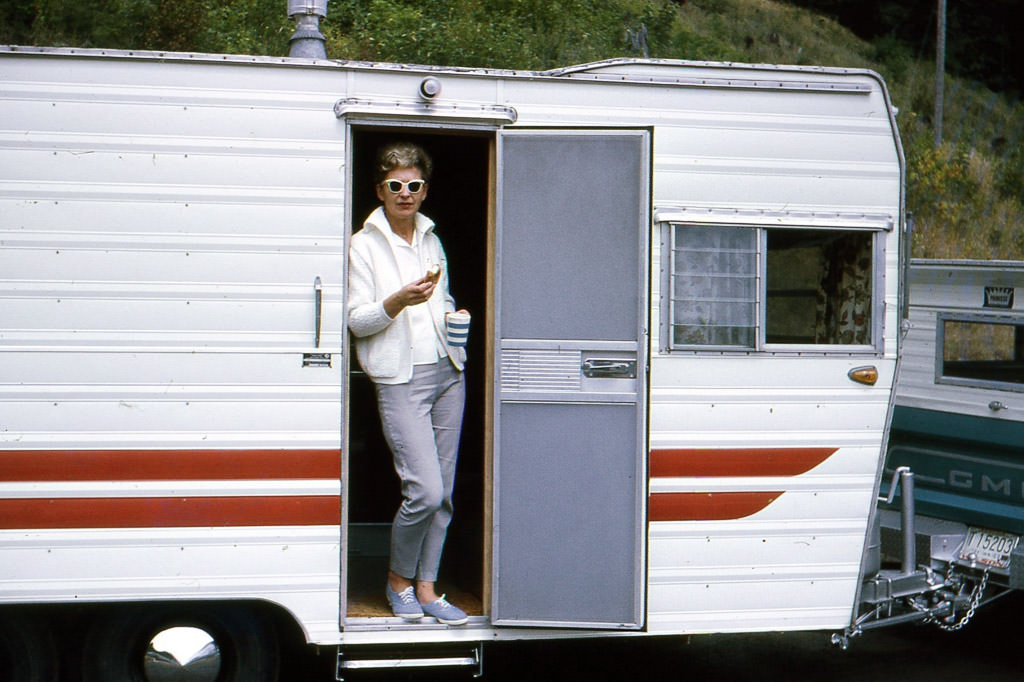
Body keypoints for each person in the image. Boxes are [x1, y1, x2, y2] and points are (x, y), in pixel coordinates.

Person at [347, 142, 469, 626]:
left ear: (424, 190)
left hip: (447, 372)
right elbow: (358, 322)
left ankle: (427, 589)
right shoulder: (364, 244)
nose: (405, 193)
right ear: (380, 190)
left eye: (413, 185)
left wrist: (453, 316)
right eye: (395, 185)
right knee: (423, 489)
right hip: (400, 377)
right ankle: (397, 581)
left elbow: (440, 296)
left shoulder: (430, 237)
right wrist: (397, 301)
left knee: (444, 495)